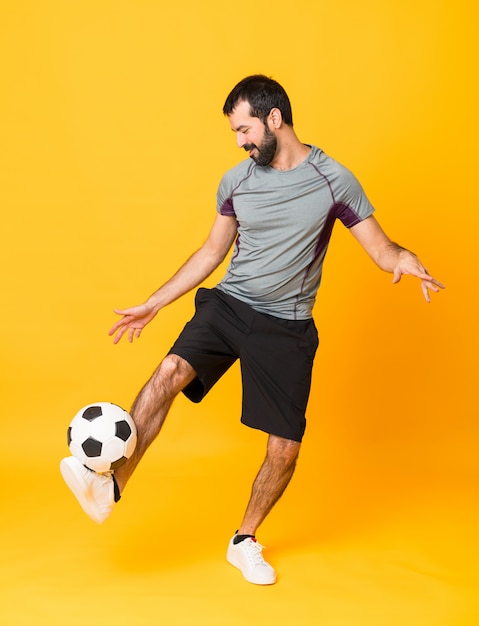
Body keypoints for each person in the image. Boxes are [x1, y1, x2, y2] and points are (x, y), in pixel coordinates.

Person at [60, 74, 444, 585]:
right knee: (170, 370)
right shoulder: (236, 181)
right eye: (236, 134)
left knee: (284, 448)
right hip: (231, 307)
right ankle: (110, 487)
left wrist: (406, 259)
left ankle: (244, 540)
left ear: (274, 119)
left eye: (244, 130)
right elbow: (211, 253)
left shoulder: (334, 180)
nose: (240, 142)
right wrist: (155, 302)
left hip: (286, 326)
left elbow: (381, 248)